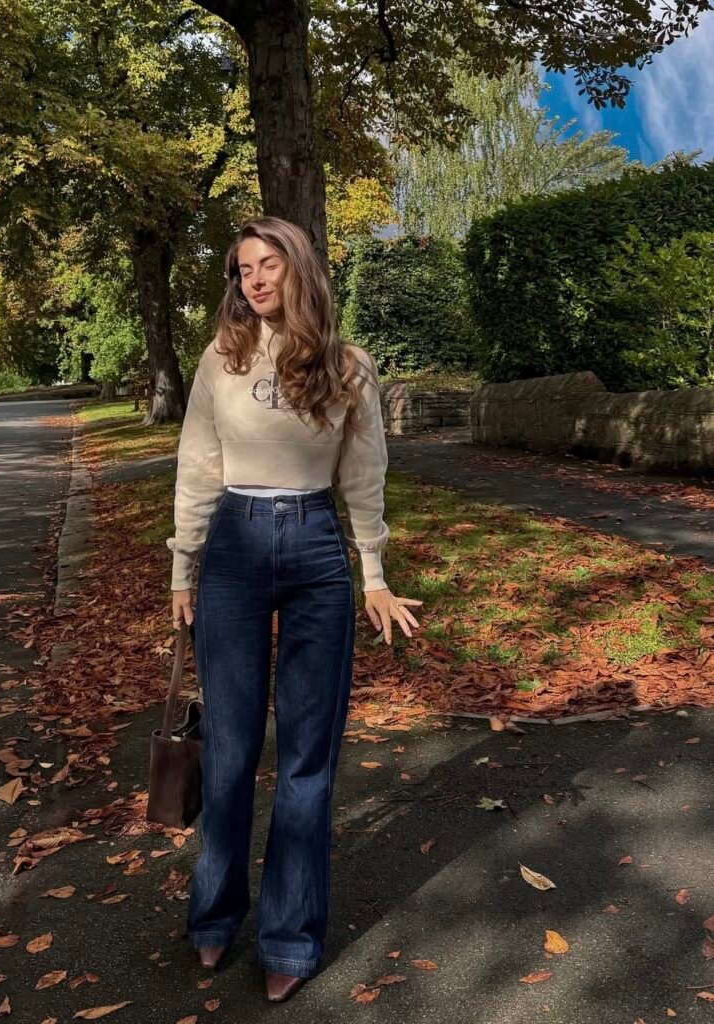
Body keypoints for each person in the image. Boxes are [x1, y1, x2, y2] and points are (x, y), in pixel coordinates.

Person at [167, 216, 422, 1002]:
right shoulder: (221, 356)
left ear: (299, 269)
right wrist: (182, 566)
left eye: (269, 263)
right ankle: (215, 916)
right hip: (234, 547)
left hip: (316, 547)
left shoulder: (348, 365)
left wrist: (373, 573)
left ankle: (289, 936)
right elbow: (198, 463)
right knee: (231, 747)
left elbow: (365, 474)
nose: (254, 279)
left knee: (309, 758)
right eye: (243, 267)